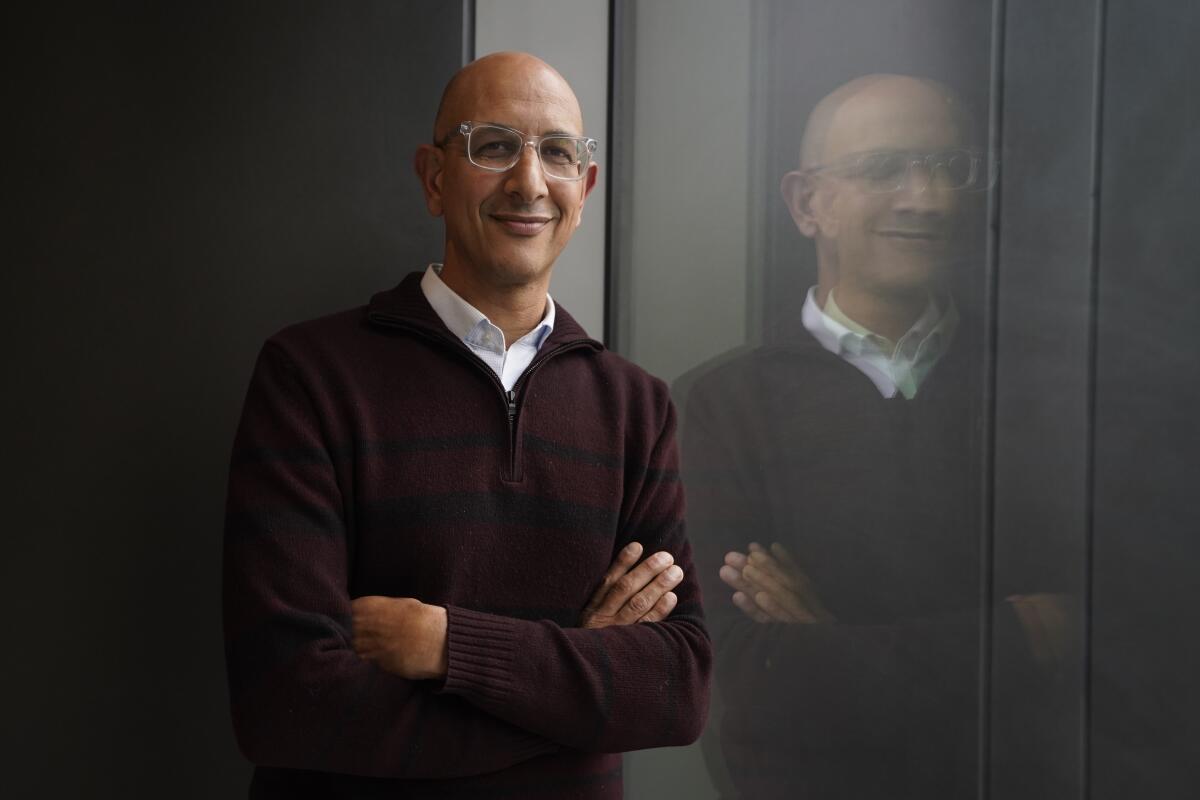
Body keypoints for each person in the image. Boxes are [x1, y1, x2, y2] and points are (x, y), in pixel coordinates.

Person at [223, 52, 710, 799]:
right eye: (493, 145)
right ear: (433, 177)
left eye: (556, 152)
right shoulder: (310, 376)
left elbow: (677, 689)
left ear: (584, 187)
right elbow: (288, 702)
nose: (528, 181)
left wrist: (449, 646)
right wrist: (578, 696)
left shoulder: (637, 408)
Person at [681, 74, 1002, 798]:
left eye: (950, 168)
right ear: (806, 203)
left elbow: (1093, 643)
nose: (930, 198)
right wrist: (1010, 637)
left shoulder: (1035, 391)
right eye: (885, 168)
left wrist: (830, 641)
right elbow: (759, 680)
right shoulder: (725, 405)